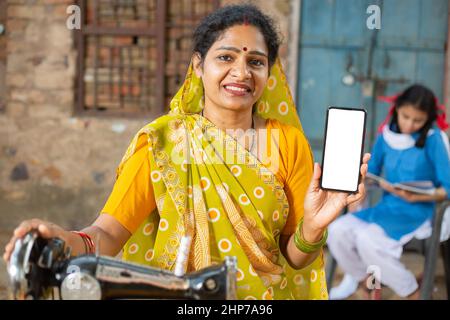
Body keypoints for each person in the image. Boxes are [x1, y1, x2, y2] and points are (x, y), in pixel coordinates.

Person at [3, 4, 369, 300]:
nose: (241, 72)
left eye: (255, 62)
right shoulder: (162, 142)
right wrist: (63, 239)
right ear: (198, 66)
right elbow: (108, 234)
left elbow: (294, 256)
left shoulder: (288, 143)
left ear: (270, 74)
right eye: (226, 57)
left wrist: (315, 227)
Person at [327, 84, 450, 300]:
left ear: (428, 119)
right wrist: (367, 183)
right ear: (396, 110)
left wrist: (420, 196)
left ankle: (412, 291)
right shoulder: (386, 136)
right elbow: (371, 172)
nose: (410, 124)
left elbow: (447, 188)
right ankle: (368, 282)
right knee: (337, 231)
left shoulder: (433, 139)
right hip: (387, 208)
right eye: (405, 116)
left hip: (418, 212)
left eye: (417, 120)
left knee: (367, 240)